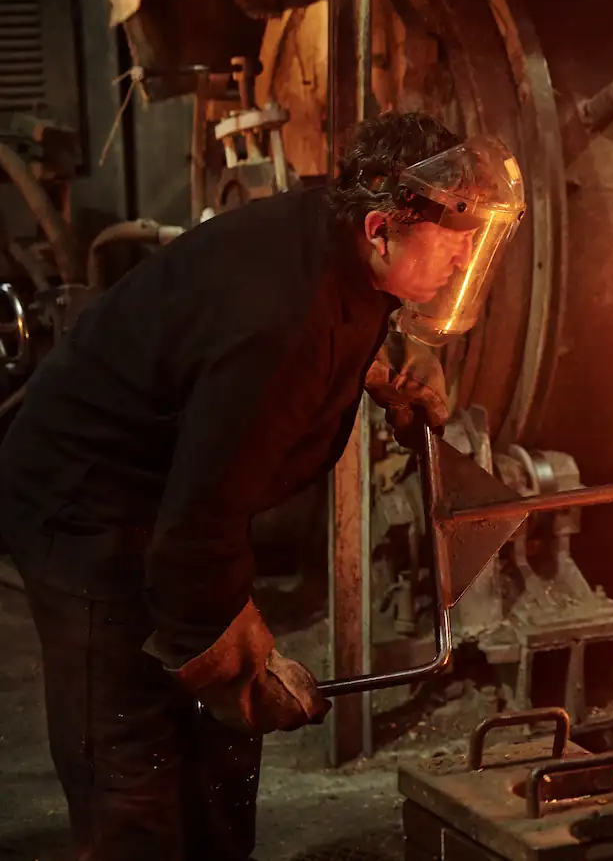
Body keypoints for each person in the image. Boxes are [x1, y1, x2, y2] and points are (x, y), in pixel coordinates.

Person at [0, 112, 525, 859]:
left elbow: (324, 321)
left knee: (215, 744)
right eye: (455, 236)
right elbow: (199, 529)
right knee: (130, 746)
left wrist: (380, 365)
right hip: (83, 499)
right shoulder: (282, 325)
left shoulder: (335, 239)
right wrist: (235, 669)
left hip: (164, 492)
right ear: (381, 230)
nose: (467, 253)